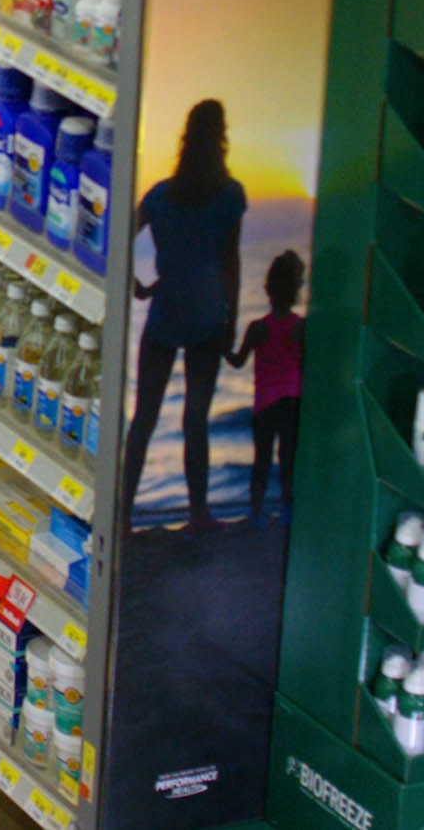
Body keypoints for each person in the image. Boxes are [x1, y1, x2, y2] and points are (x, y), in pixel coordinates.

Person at [126, 98, 244, 530]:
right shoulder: (230, 196)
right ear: (221, 139)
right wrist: (231, 321)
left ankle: (121, 516)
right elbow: (230, 262)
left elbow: (120, 238)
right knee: (196, 419)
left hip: (164, 315)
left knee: (144, 418)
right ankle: (198, 514)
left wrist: (137, 284)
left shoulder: (160, 196)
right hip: (208, 318)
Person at [231, 249, 304, 527]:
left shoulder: (257, 328)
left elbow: (237, 362)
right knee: (288, 458)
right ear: (296, 289)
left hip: (264, 404)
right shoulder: (301, 328)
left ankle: (256, 513)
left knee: (261, 460)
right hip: (292, 401)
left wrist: (220, 346)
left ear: (267, 289)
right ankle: (287, 510)